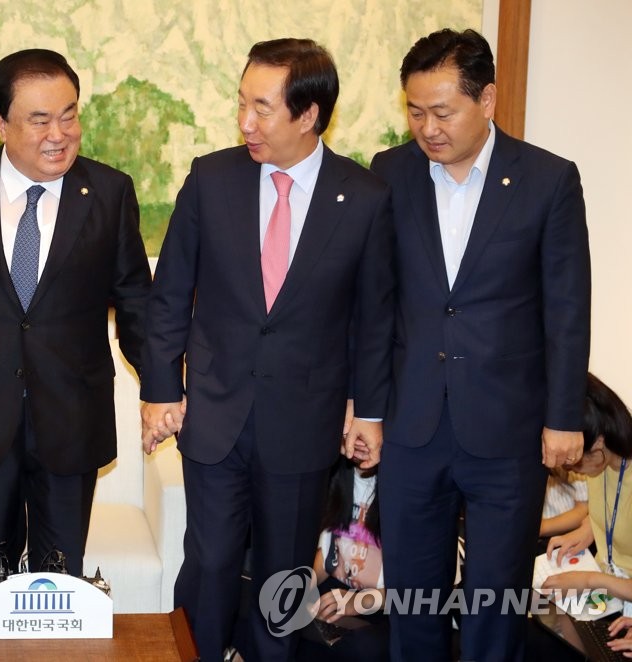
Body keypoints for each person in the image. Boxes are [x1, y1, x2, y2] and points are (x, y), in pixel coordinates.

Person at [140, 38, 395, 661]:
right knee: (210, 563)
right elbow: (169, 293)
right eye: (241, 104)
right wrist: (160, 390)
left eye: (262, 108)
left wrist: (368, 410)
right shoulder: (211, 179)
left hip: (304, 421)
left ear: (308, 115)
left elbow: (373, 318)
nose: (245, 122)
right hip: (215, 413)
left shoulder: (364, 198)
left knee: (284, 575)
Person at [0, 48, 151, 613]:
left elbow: (137, 301)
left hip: (72, 418)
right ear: (0, 122)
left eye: (69, 115)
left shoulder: (109, 191)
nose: (59, 135)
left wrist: (161, 388)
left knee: (59, 585)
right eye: (39, 120)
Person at [370, 28, 591, 661]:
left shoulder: (548, 179)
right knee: (413, 601)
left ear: (487, 99)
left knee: (496, 604)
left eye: (443, 112)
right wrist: (367, 407)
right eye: (415, 112)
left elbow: (567, 309)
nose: (427, 128)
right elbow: (375, 304)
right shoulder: (390, 173)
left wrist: (563, 417)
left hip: (507, 429)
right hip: (413, 424)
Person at [543, 374, 632, 656]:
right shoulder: (603, 467)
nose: (569, 468)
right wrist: (587, 529)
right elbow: (613, 511)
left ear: (600, 441)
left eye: (573, 459)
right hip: (612, 595)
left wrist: (591, 581)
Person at [300, 458, 390, 661]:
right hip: (337, 594)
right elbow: (328, 556)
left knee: (364, 648)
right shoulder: (336, 476)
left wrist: (357, 601)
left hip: (383, 605)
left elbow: (415, 593)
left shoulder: (407, 489)